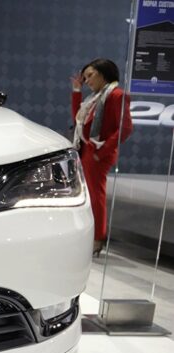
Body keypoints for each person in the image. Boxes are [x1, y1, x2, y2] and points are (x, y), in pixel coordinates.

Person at [70, 58, 133, 256]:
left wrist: (101, 152)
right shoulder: (94, 98)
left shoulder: (116, 95)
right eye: (85, 77)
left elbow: (125, 128)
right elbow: (78, 119)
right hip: (86, 150)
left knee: (95, 196)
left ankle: (98, 239)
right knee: (88, 196)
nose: (87, 80)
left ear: (103, 73)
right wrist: (76, 91)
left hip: (97, 152)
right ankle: (90, 236)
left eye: (90, 75)